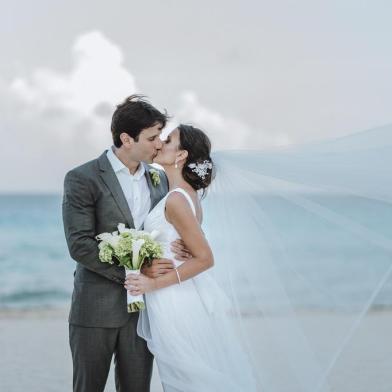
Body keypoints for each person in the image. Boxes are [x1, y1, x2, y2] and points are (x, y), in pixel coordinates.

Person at [62, 95, 189, 392]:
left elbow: (172, 222)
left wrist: (181, 247)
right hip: (95, 309)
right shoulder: (83, 178)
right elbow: (80, 245)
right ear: (126, 139)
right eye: (153, 137)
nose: (159, 143)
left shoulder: (159, 179)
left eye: (160, 136)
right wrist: (137, 272)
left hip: (145, 313)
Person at [125, 124, 258, 391]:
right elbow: (193, 248)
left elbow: (205, 258)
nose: (160, 142)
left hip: (173, 297)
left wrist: (152, 285)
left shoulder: (176, 199)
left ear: (181, 155)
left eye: (169, 139)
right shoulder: (189, 196)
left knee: (184, 379)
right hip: (183, 293)